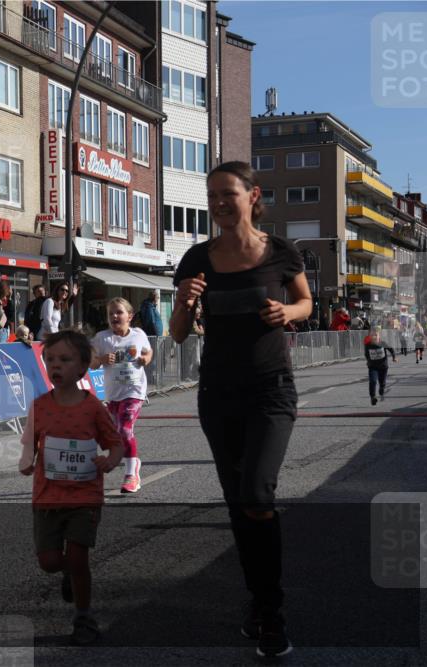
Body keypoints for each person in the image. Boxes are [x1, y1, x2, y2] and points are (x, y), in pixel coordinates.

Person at [170, 161, 312, 659]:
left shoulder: (280, 253)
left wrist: (286, 313)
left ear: (252, 196)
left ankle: (272, 612)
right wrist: (186, 302)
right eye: (211, 196)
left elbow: (306, 304)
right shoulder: (195, 258)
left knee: (256, 493)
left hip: (271, 389)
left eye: (227, 194)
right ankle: (257, 602)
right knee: (238, 502)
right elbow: (178, 333)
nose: (218, 203)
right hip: (219, 394)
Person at [17, 330, 124, 645]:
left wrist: (111, 460)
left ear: (82, 367)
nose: (55, 366)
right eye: (49, 359)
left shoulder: (92, 408)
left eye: (64, 359)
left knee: (78, 558)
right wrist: (26, 460)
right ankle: (69, 575)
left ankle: (84, 617)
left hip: (84, 496)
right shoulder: (39, 405)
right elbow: (29, 443)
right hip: (47, 497)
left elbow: (114, 443)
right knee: (49, 562)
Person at [90, 297, 153, 494]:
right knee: (118, 432)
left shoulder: (138, 334)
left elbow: (148, 352)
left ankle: (131, 474)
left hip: (134, 391)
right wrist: (100, 359)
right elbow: (91, 363)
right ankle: (134, 462)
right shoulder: (102, 338)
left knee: (125, 430)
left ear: (130, 316)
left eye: (119, 312)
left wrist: (145, 359)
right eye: (111, 314)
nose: (114, 316)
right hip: (113, 394)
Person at [364, 329, 397, 405]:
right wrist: (368, 361)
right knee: (373, 381)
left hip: (383, 366)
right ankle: (373, 397)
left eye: (376, 335)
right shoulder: (368, 345)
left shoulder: (383, 343)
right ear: (370, 336)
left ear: (379, 336)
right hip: (373, 367)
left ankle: (381, 388)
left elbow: (391, 349)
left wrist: (394, 357)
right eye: (372, 335)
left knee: (382, 383)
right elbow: (366, 354)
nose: (374, 336)